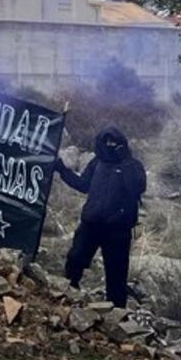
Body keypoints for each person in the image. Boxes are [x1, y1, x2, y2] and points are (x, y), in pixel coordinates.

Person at [58, 127, 147, 309]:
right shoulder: (97, 163)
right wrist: (62, 170)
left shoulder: (133, 165)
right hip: (91, 225)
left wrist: (125, 162)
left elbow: (136, 188)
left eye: (113, 142)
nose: (109, 145)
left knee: (116, 276)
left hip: (118, 230)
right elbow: (83, 184)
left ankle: (117, 315)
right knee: (74, 260)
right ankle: (67, 297)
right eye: (106, 142)